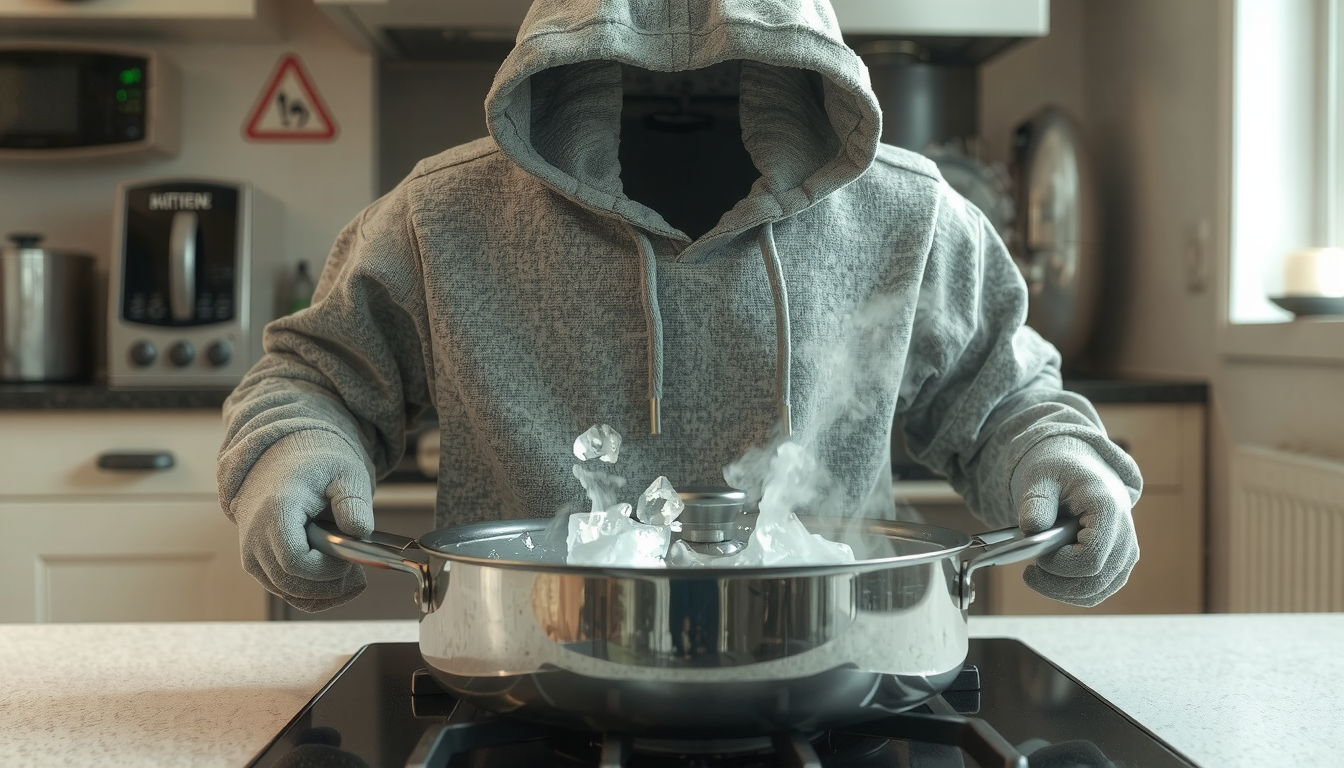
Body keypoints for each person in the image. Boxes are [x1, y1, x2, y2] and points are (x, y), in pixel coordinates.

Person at [217, 0, 1141, 613]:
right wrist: (297, 450)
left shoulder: (910, 214)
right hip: (529, 678)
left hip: (839, 672)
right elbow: (314, 379)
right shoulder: (439, 215)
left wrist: (1059, 458)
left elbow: (1006, 401)